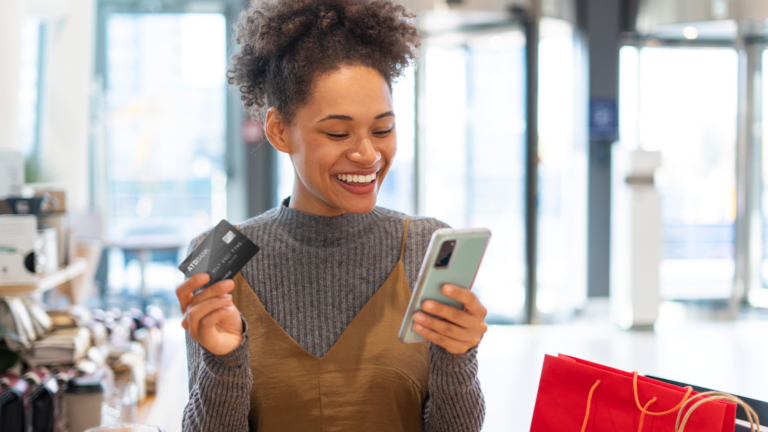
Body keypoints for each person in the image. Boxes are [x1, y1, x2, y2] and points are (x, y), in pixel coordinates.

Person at [176, 0, 488, 430]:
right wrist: (223, 363)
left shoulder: (425, 245)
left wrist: (459, 357)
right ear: (279, 130)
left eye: (382, 129)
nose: (367, 154)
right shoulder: (216, 253)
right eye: (338, 132)